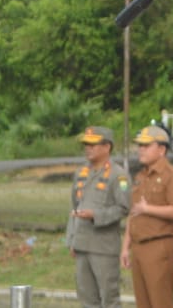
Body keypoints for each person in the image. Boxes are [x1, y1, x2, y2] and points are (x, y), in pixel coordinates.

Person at [120, 126, 173, 308]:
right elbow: (133, 213)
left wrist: (148, 209)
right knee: (143, 303)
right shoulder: (141, 176)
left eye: (146, 146)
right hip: (139, 246)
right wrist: (126, 246)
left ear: (162, 149)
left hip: (159, 245)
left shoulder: (172, 175)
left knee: (160, 302)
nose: (140, 150)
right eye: (140, 146)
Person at [67, 125, 130, 308]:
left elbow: (124, 208)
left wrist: (96, 215)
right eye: (86, 144)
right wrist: (72, 239)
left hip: (103, 247)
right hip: (82, 244)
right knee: (87, 298)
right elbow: (74, 207)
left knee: (109, 299)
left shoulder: (119, 176)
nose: (88, 148)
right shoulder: (81, 173)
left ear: (107, 147)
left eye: (93, 144)